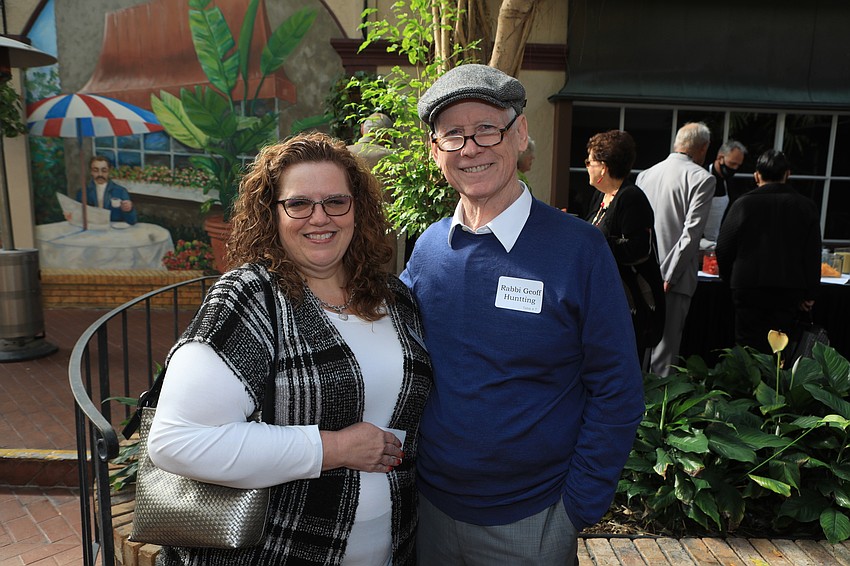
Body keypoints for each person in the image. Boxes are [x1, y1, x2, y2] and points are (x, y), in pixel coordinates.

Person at [146, 132, 432, 565]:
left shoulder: (395, 299)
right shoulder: (249, 298)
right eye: (299, 204)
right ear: (272, 214)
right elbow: (176, 441)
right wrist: (332, 448)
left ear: (358, 209)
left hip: (391, 546)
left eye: (336, 201)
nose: (320, 218)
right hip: (276, 550)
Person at [402, 63, 644, 565]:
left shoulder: (579, 250)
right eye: (452, 135)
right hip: (429, 514)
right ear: (435, 152)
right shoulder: (427, 250)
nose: (470, 148)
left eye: (487, 129)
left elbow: (618, 387)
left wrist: (576, 508)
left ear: (520, 135)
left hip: (533, 522)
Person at [715, 149, 821, 357]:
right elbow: (812, 252)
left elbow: (724, 247)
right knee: (781, 349)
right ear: (787, 174)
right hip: (788, 289)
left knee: (748, 348)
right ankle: (777, 388)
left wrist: (729, 279)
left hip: (747, 287)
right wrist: (811, 293)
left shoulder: (743, 204)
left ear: (757, 176)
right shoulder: (805, 206)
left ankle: (748, 388)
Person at [636, 122, 716, 376]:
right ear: (702, 148)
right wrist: (669, 275)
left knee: (641, 346)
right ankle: (660, 413)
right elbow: (691, 234)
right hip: (674, 277)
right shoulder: (702, 178)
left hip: (641, 273)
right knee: (665, 353)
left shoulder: (646, 174)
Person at [584, 130, 665, 362]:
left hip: (633, 304)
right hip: (606, 301)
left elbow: (639, 249)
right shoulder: (601, 197)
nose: (587, 166)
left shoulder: (631, 198)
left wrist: (593, 241)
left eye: (590, 161)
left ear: (604, 167)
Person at [701, 140, 747, 249]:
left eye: (738, 165)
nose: (735, 168)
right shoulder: (702, 176)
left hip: (718, 241)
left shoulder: (730, 182)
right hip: (698, 240)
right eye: (732, 164)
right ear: (720, 158)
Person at [76, 155, 137, 224]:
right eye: (96, 170)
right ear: (91, 172)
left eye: (104, 171)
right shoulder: (83, 192)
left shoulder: (121, 191)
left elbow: (132, 221)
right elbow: (78, 217)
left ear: (109, 171)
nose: (100, 174)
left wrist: (128, 210)